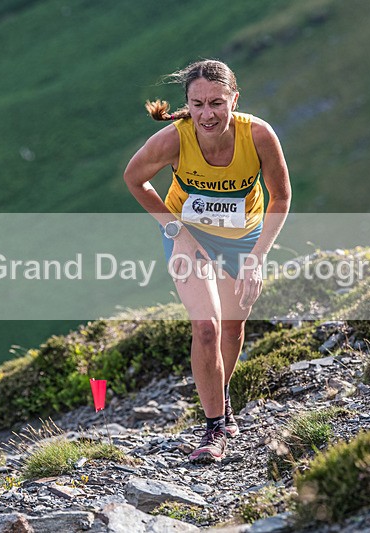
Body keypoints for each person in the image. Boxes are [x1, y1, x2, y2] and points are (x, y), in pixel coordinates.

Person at [124, 59, 291, 463]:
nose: (207, 114)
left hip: (243, 239)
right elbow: (134, 179)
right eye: (197, 104)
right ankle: (215, 425)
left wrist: (257, 258)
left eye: (217, 103)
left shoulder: (259, 136)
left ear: (235, 99)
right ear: (188, 104)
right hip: (188, 237)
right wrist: (177, 233)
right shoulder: (173, 140)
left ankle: (222, 397)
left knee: (232, 328)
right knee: (206, 327)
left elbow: (281, 197)